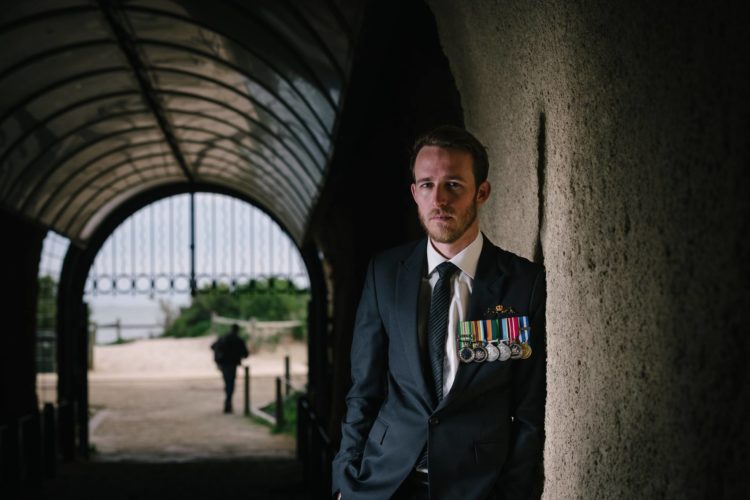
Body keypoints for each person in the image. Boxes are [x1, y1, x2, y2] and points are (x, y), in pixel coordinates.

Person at [331, 125, 546, 499]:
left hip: (475, 486)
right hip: (384, 482)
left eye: (454, 185)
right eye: (427, 185)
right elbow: (363, 389)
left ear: (482, 192)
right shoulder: (384, 274)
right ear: (414, 193)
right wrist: (344, 478)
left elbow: (528, 408)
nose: (439, 200)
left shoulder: (522, 284)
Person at [211, 323, 249, 413]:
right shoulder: (238, 340)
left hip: (223, 365)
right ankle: (228, 401)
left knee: (228, 383)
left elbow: (212, 347)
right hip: (232, 365)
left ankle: (228, 401)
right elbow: (246, 354)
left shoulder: (223, 338)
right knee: (230, 384)